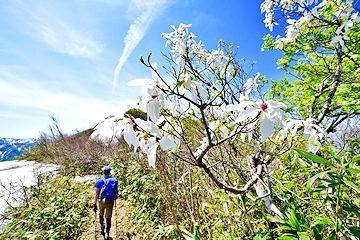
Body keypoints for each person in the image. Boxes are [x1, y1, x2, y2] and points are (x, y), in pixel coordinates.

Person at [93, 166, 118, 240]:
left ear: (103, 172)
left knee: (101, 214)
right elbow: (116, 191)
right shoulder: (114, 180)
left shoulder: (99, 181)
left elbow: (96, 194)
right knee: (108, 217)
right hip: (110, 201)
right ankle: (107, 232)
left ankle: (102, 227)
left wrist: (95, 204)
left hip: (101, 201)